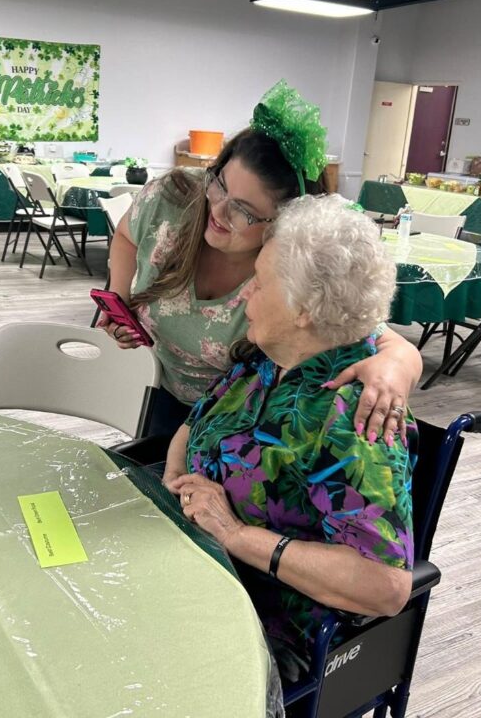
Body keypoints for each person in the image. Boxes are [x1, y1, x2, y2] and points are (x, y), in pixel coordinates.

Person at [162, 195, 413, 681]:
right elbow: (192, 425)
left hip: (266, 628)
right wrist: (175, 483)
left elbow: (385, 586)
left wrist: (235, 534)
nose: (243, 295)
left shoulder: (353, 415)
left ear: (304, 308)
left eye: (258, 282)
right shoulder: (263, 359)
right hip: (194, 575)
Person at [99, 81, 422, 440]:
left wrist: (395, 368)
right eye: (220, 184)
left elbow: (382, 340)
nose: (218, 210)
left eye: (244, 211)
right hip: (159, 385)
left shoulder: (292, 266)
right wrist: (120, 300)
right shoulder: (173, 201)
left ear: (282, 225)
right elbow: (127, 236)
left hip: (236, 422)